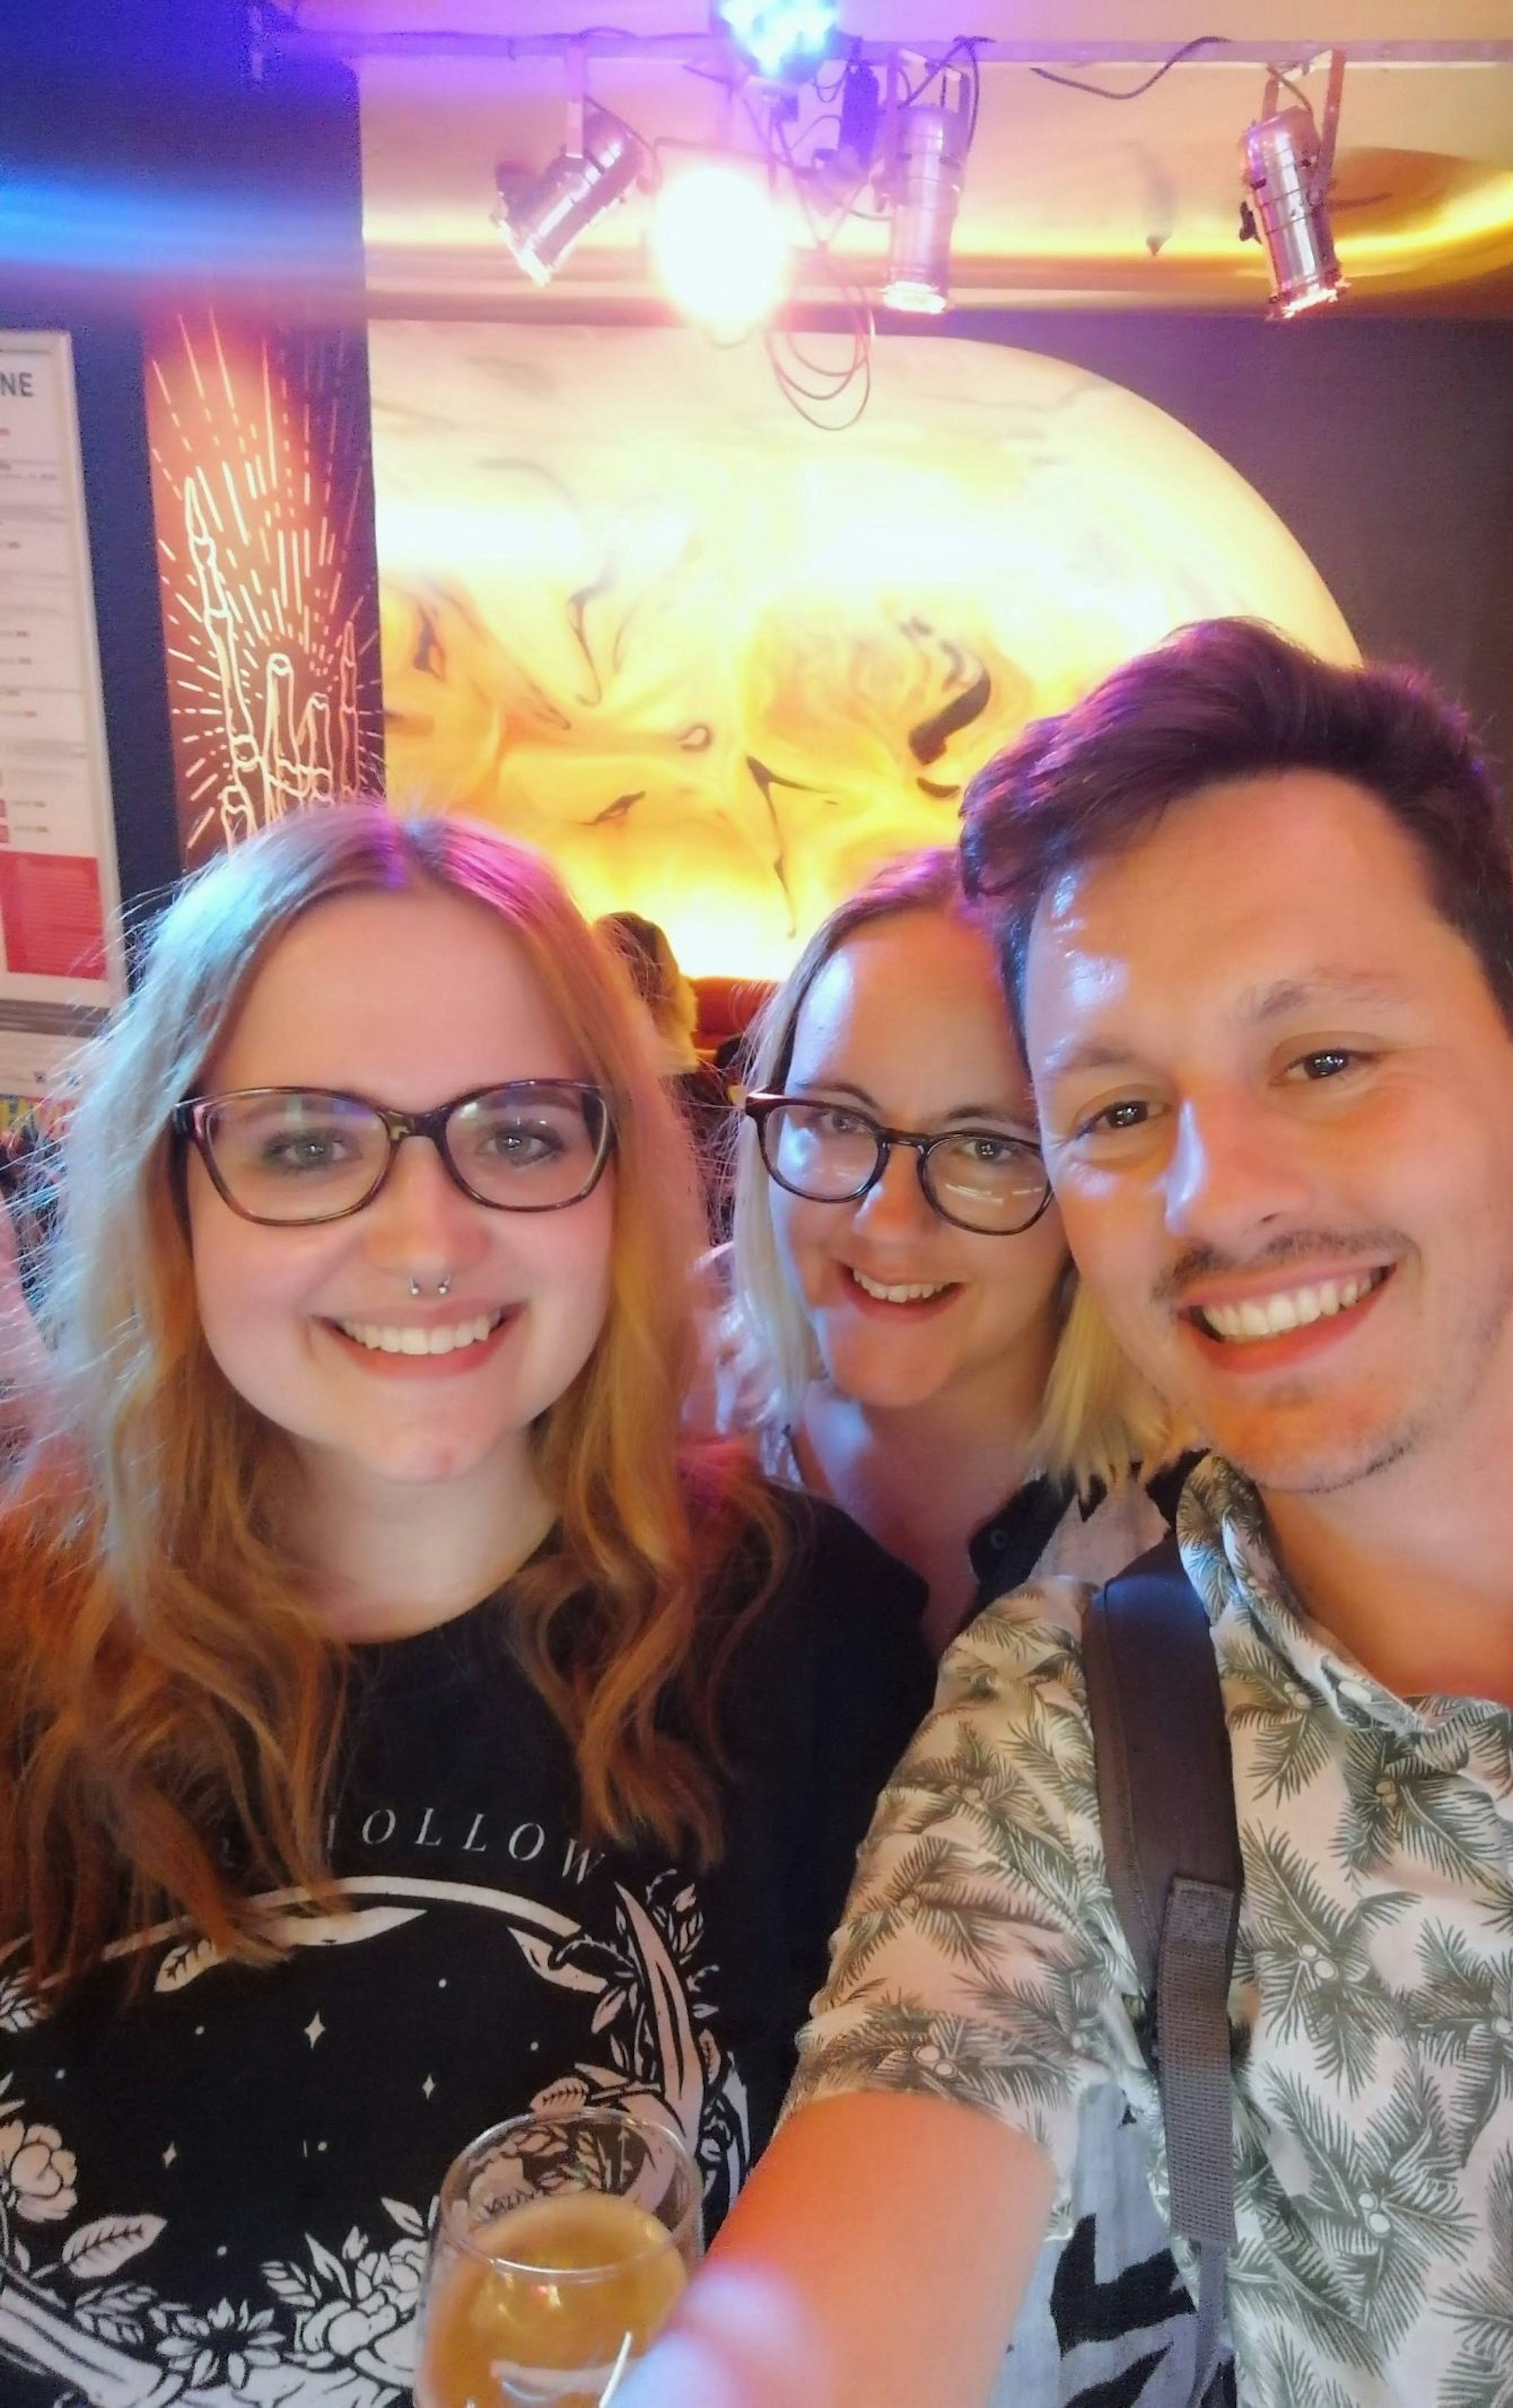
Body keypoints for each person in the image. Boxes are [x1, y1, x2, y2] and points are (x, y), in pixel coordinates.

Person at [621, 621, 1513, 2408]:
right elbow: (816, 2308)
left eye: (1324, 1056)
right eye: (1113, 1106)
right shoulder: (1060, 1742)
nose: (1216, 1191)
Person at [0, 804, 930, 2408]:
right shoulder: (25, 1650)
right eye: (305, 1140)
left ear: (615, 1171)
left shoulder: (810, 1642)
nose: (426, 1239)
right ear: (176, 1191)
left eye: (512, 1131)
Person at [722, 846, 1197, 2400]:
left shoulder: (1211, 1532)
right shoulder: (647, 1427)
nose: (886, 1213)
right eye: (837, 1121)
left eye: (987, 1146)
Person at [597, 908, 737, 1239]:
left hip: (651, 1105)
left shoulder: (623, 1012)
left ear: (620, 959)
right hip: (696, 1101)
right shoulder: (671, 1004)